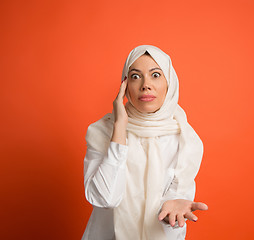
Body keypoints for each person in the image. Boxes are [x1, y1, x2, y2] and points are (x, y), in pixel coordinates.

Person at [82, 45, 208, 240]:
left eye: (156, 75)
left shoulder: (186, 140)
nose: (145, 85)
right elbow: (104, 198)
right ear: (125, 85)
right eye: (135, 76)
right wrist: (120, 128)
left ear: (170, 83)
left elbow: (174, 202)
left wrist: (170, 212)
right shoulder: (102, 132)